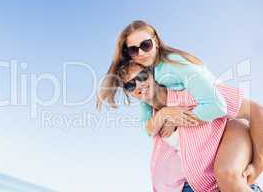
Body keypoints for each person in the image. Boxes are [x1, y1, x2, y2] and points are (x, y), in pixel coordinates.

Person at [96, 20, 263, 191]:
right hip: (201, 169)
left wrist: (258, 165)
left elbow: (221, 105)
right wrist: (164, 114)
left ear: (156, 42)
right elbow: (147, 128)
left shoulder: (173, 72)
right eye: (133, 49)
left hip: (228, 124)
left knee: (227, 174)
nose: (140, 53)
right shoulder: (153, 89)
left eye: (146, 45)